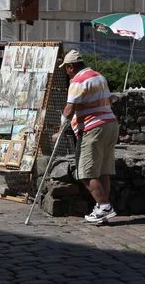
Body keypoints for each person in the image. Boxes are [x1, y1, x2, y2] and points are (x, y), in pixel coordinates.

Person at [53, 50, 119, 224]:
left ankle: (104, 205)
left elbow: (70, 108)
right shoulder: (99, 76)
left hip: (93, 127)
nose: (66, 73)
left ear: (71, 66)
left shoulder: (78, 81)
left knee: (85, 171)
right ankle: (101, 208)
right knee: (103, 170)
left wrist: (60, 129)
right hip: (110, 124)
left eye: (66, 69)